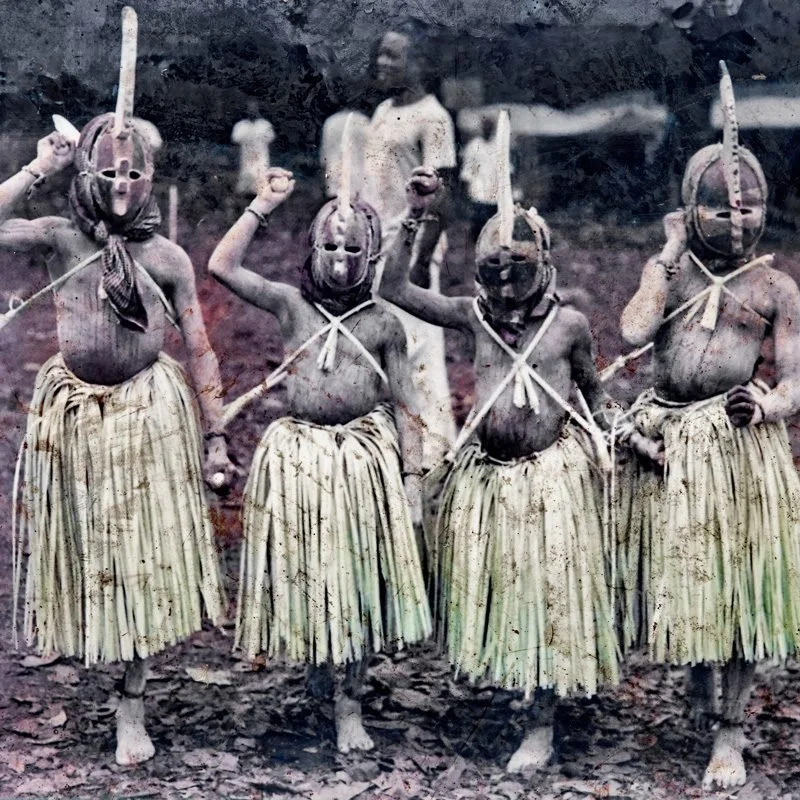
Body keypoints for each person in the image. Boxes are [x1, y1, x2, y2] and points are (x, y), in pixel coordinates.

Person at [0, 118, 233, 766]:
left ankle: (133, 698)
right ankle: (90, 652)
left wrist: (216, 437)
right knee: (88, 555)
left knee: (137, 559)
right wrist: (39, 168)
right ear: (85, 173)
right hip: (74, 416)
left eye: (135, 172)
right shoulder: (59, 237)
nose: (123, 185)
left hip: (146, 416)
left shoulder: (165, 258)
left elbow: (200, 348)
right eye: (108, 171)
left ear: (154, 177)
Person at [378, 159, 619, 773]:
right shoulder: (473, 315)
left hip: (550, 479)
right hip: (489, 478)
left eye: (521, 271)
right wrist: (417, 216)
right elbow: (395, 291)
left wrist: (624, 434)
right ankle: (513, 697)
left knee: (547, 595)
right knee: (505, 595)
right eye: (493, 272)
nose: (507, 287)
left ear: (546, 265)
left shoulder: (568, 325)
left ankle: (542, 722)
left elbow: (594, 395)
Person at [618, 62, 800, 790]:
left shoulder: (775, 286)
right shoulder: (674, 272)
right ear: (689, 210)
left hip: (734, 449)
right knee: (690, 585)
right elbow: (633, 333)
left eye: (750, 207)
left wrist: (772, 406)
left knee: (737, 592)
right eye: (721, 209)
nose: (738, 220)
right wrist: (665, 257)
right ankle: (700, 682)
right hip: (667, 445)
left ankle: (731, 731)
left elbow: (795, 378)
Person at [208, 166, 431, 755]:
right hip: (300, 462)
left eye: (352, 248)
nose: (338, 258)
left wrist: (410, 481)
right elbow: (221, 268)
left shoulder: (384, 323)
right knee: (311, 581)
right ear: (311, 248)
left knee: (353, 586)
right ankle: (316, 679)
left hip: (361, 461)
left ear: (372, 252)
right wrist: (261, 205)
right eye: (329, 245)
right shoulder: (290, 305)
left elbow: (407, 405)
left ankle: (350, 703)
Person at [362, 24, 459, 468]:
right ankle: (391, 446)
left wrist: (421, 259)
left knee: (419, 352)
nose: (383, 63)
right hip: (374, 249)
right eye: (380, 54)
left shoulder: (433, 116)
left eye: (393, 56)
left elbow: (443, 194)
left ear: (417, 63)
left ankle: (433, 457)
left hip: (410, 251)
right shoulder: (383, 109)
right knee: (384, 346)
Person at [460, 113, 502, 243]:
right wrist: (468, 190)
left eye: (491, 126)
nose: (488, 129)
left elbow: (506, 169)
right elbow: (467, 170)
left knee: (494, 224)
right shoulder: (473, 146)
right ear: (481, 127)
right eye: (485, 126)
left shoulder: (500, 145)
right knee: (478, 223)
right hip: (478, 190)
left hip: (496, 191)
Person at [232, 99, 276, 196]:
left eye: (254, 109)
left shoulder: (264, 126)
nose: (252, 112)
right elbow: (235, 142)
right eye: (250, 109)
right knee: (245, 184)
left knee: (261, 183)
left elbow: (271, 142)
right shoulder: (241, 126)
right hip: (246, 159)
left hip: (261, 159)